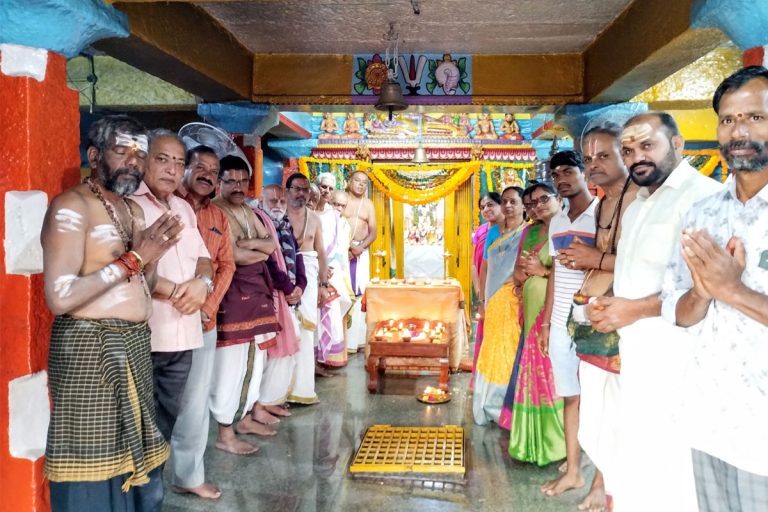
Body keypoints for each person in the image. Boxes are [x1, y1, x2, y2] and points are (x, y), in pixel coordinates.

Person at [43, 115, 183, 511]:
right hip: (90, 351)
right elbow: (60, 295)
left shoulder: (131, 211)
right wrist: (136, 257)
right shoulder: (71, 207)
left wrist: (152, 258)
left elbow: (142, 284)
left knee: (134, 463)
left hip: (134, 347)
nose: (134, 163)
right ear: (94, 154)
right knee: (92, 465)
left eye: (140, 155)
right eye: (122, 151)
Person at [587, 112, 721, 511]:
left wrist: (633, 309)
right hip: (640, 356)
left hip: (679, 361)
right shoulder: (639, 203)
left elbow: (708, 289)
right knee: (640, 464)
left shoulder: (702, 198)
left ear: (678, 145)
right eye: (628, 150)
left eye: (648, 145)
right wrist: (611, 307)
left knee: (674, 473)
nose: (636, 157)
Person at [662, 66, 768, 511]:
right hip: (708, 417)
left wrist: (733, 289)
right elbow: (679, 312)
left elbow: (732, 291)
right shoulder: (702, 214)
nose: (738, 130)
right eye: (727, 120)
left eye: (755, 118)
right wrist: (703, 291)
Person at [563, 122, 638, 511]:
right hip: (592, 319)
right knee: (597, 411)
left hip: (623, 325)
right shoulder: (604, 201)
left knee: (617, 413)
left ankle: (610, 490)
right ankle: (600, 483)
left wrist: (597, 258)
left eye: (603, 155)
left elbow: (646, 263)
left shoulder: (640, 199)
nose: (593, 164)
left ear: (626, 155)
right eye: (588, 157)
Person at [131, 130, 213, 444]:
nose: (172, 169)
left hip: (184, 334)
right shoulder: (131, 206)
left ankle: (153, 488)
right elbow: (129, 266)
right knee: (139, 428)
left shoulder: (183, 208)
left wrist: (203, 284)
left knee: (165, 424)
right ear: (144, 161)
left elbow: (204, 259)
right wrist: (182, 291)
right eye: (162, 159)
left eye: (179, 163)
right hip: (149, 335)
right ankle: (138, 492)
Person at [169, 145, 235, 500]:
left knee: (194, 403)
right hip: (159, 319)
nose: (208, 174)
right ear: (185, 170)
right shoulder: (166, 205)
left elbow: (226, 265)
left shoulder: (218, 217)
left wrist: (207, 306)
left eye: (214, 169)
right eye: (200, 166)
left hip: (202, 321)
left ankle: (188, 475)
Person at [210, 156, 281, 454]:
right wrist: (256, 248)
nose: (238, 187)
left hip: (255, 295)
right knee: (231, 367)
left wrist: (249, 246)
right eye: (231, 181)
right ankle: (225, 434)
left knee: (254, 363)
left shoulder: (247, 211)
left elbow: (270, 246)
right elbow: (234, 257)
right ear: (219, 182)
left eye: (242, 181)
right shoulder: (216, 210)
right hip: (232, 298)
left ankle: (246, 417)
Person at [538, 150, 597, 498]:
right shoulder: (557, 221)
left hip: (591, 318)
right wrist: (547, 323)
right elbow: (556, 276)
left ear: (583, 172)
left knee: (600, 397)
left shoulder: (601, 215)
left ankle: (597, 478)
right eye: (555, 173)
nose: (562, 178)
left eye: (568, 171)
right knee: (570, 397)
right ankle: (574, 470)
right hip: (561, 321)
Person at [508, 182, 566, 467]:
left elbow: (573, 270)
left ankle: (555, 442)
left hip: (554, 311)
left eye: (544, 199)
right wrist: (524, 274)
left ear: (557, 198)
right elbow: (518, 271)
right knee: (532, 368)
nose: (537, 206)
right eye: (531, 203)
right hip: (530, 307)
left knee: (552, 370)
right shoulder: (529, 232)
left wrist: (542, 271)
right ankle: (529, 440)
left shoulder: (566, 228)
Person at [473, 186, 526, 427]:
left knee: (512, 348)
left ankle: (509, 405)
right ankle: (490, 403)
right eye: (504, 201)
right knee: (493, 347)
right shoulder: (493, 233)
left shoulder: (530, 231)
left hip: (517, 299)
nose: (508, 206)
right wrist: (482, 300)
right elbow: (486, 267)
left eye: (513, 201)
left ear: (524, 204)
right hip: (495, 300)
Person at [256, 184, 305, 414]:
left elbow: (297, 255)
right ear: (261, 200)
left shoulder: (285, 225)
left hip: (289, 294)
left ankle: (272, 399)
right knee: (272, 351)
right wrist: (287, 288)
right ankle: (263, 402)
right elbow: (267, 262)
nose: (277, 205)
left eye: (281, 202)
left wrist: (301, 285)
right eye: (272, 201)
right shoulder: (259, 223)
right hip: (271, 295)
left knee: (289, 346)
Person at [285, 172, 329, 404]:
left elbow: (321, 253)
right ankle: (278, 392)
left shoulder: (314, 219)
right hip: (284, 273)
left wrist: (323, 285)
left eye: (305, 190)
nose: (301, 193)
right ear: (288, 191)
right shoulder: (278, 216)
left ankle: (302, 390)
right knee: (284, 329)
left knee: (305, 331)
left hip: (310, 276)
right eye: (297, 189)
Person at [314, 172, 352, 368]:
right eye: (323, 186)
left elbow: (339, 247)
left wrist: (329, 268)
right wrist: (319, 265)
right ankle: (313, 362)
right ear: (317, 186)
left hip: (331, 270)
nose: (326, 191)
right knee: (312, 316)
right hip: (312, 268)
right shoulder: (308, 211)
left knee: (332, 311)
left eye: (330, 188)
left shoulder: (334, 216)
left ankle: (325, 359)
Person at [469, 192, 504, 387]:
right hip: (484, 288)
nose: (486, 210)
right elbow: (476, 264)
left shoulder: (505, 230)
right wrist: (478, 291)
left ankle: (496, 382)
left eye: (490, 205)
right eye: (482, 207)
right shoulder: (482, 231)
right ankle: (483, 381)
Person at [343, 171, 377, 352]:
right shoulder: (341, 199)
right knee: (342, 293)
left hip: (360, 253)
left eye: (364, 182)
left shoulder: (368, 205)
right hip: (341, 251)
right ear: (349, 181)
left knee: (360, 294)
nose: (361, 185)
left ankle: (358, 342)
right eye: (357, 181)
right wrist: (346, 247)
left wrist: (359, 248)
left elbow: (373, 233)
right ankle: (342, 342)